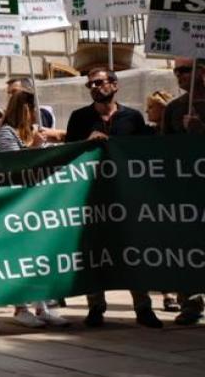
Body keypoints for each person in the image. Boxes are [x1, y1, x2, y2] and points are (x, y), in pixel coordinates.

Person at [65, 67, 159, 329]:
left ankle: (143, 307)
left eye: (99, 82)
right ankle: (96, 306)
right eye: (90, 85)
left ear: (114, 85)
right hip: (91, 195)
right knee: (94, 249)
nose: (95, 87)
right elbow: (68, 154)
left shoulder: (132, 117)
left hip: (124, 195)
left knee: (132, 249)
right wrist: (86, 142)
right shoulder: (79, 118)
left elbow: (142, 155)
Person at [0, 92, 68, 329]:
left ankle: (42, 306)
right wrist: (34, 147)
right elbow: (12, 165)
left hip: (38, 201)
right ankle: (20, 308)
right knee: (20, 256)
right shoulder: (5, 133)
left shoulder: (33, 132)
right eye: (32, 108)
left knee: (40, 255)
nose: (36, 112)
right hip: (16, 203)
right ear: (24, 109)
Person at [159, 59, 204, 325]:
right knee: (188, 245)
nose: (179, 75)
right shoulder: (175, 108)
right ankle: (191, 301)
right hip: (187, 191)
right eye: (176, 71)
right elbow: (164, 148)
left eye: (185, 70)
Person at [164, 58, 205, 136]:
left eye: (183, 70)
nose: (178, 74)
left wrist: (201, 129)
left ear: (201, 71)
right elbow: (165, 144)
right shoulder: (172, 107)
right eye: (175, 71)